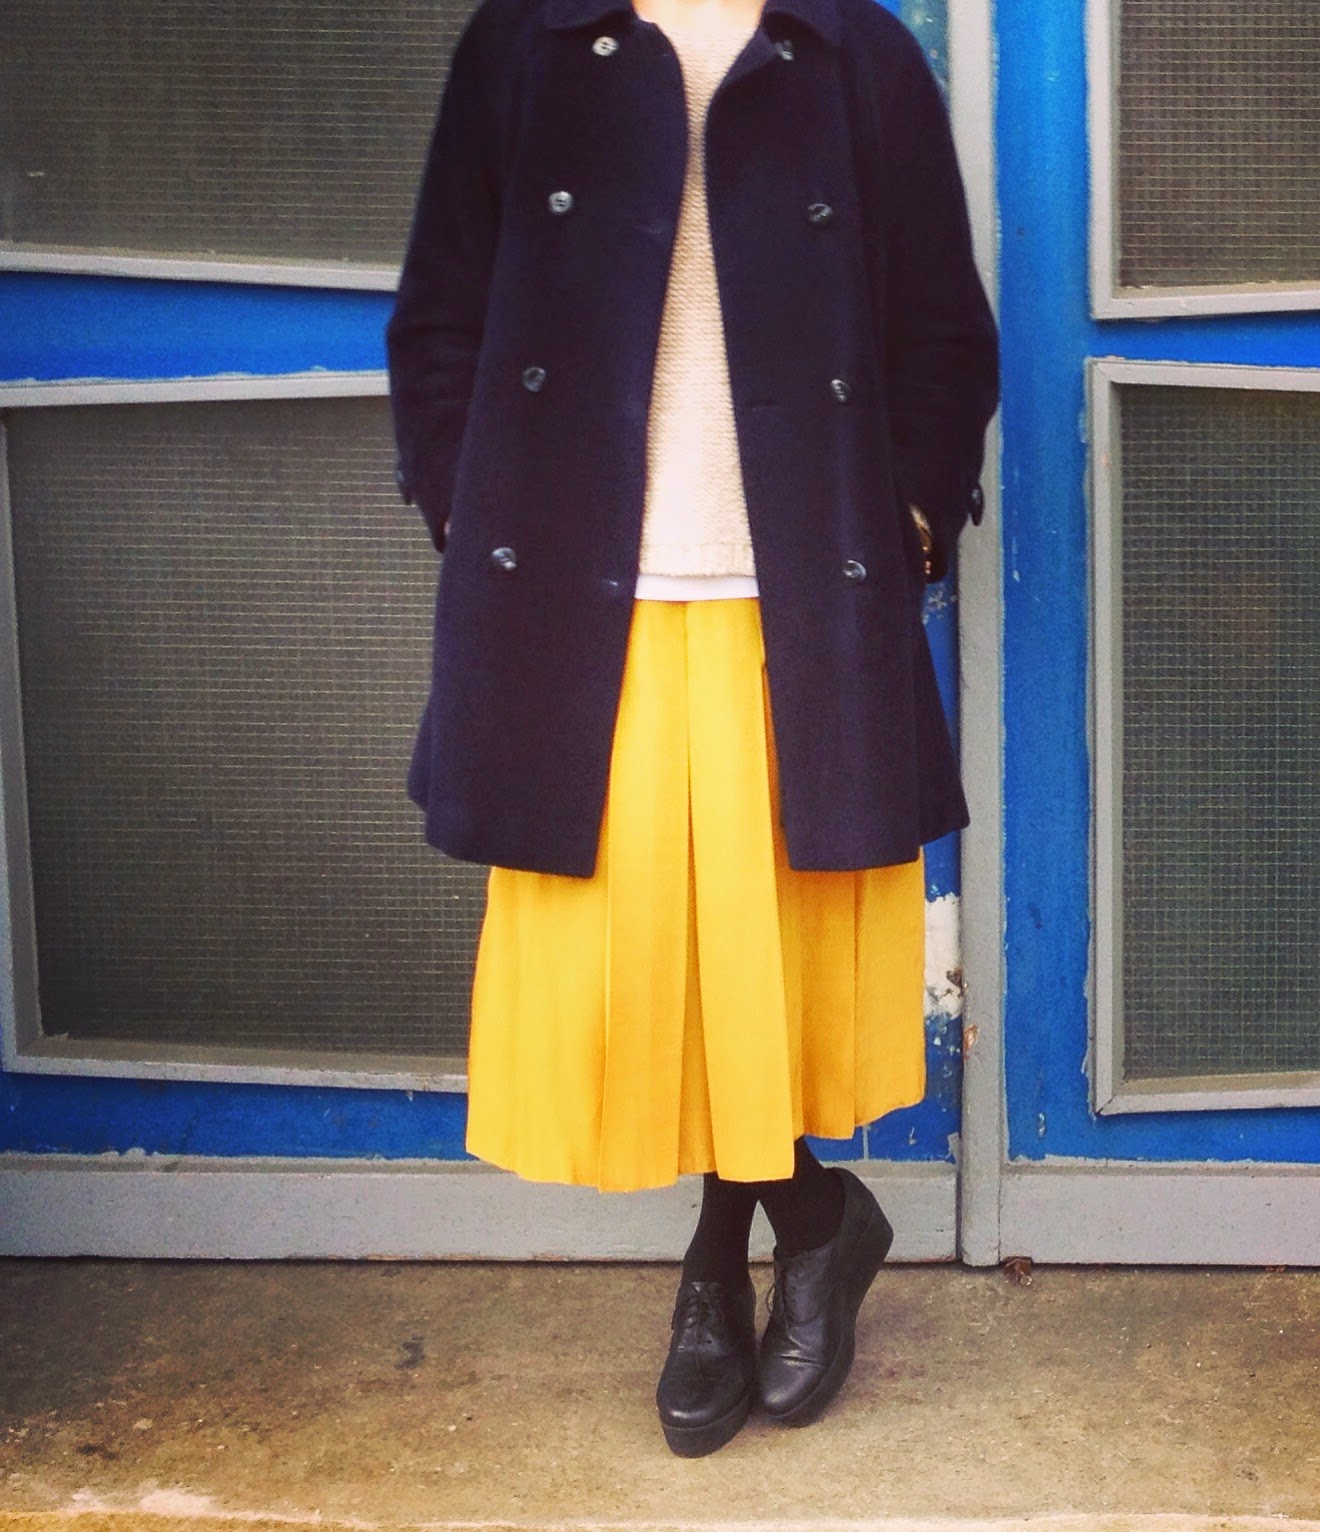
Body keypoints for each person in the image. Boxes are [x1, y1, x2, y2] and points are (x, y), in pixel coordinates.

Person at [386, 0, 998, 1458]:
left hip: (796, 590)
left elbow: (941, 328)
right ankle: (814, 1216)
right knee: (637, 972)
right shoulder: (528, 42)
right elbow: (441, 311)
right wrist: (467, 501)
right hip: (586, 597)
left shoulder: (852, 51)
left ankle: (718, 1272)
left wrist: (912, 516)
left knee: (755, 967)